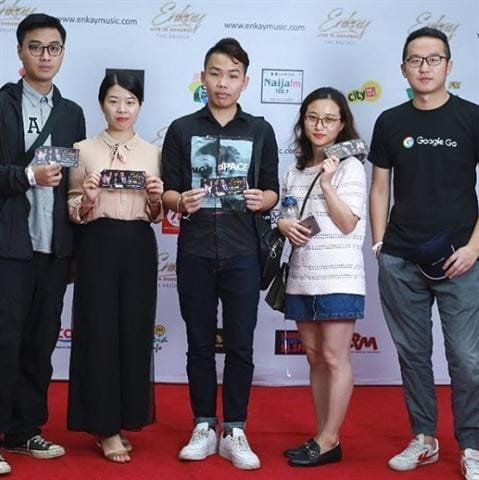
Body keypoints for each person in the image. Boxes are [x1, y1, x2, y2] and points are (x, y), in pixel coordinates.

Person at [161, 37, 279, 471]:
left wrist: (262, 200)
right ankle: (203, 424)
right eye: (215, 73)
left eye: (232, 75)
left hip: (244, 251)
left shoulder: (260, 130)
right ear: (203, 77)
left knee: (241, 345)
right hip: (194, 250)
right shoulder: (181, 129)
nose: (223, 83)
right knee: (198, 344)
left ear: (245, 81)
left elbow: (272, 190)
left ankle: (235, 429)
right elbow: (168, 190)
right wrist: (180, 201)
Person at [369, 27, 479, 479]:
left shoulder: (471, 117)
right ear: (403, 69)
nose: (425, 67)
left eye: (434, 59)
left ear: (449, 66)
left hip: (461, 260)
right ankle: (424, 438)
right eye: (415, 60)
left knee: (467, 359)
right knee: (413, 355)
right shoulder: (390, 121)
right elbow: (380, 187)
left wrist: (474, 248)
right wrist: (379, 245)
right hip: (401, 259)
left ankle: (472, 444)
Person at [0, 13, 85, 475]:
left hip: (54, 248)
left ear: (63, 53)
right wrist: (27, 176)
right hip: (9, 246)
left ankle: (24, 430)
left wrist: (83, 200)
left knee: (40, 343)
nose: (45, 56)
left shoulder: (71, 113)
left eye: (53, 48)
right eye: (36, 47)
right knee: (4, 341)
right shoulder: (2, 104)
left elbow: (74, 179)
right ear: (20, 51)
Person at [67, 72, 162, 464]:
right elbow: (73, 208)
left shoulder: (153, 153)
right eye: (114, 100)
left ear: (140, 106)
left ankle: (123, 419)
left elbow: (155, 214)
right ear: (101, 104)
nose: (122, 109)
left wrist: (156, 198)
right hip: (97, 244)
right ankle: (104, 427)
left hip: (138, 245)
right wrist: (88, 198)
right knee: (99, 332)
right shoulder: (82, 149)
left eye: (130, 102)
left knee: (133, 333)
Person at [278, 88, 366, 467]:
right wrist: (283, 224)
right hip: (302, 275)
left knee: (334, 356)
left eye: (329, 119)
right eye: (313, 117)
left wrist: (328, 183)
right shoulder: (293, 171)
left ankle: (330, 439)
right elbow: (287, 215)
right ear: (303, 120)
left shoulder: (352, 167)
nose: (320, 126)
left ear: (342, 124)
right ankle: (322, 435)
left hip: (339, 277)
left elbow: (347, 223)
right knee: (315, 357)